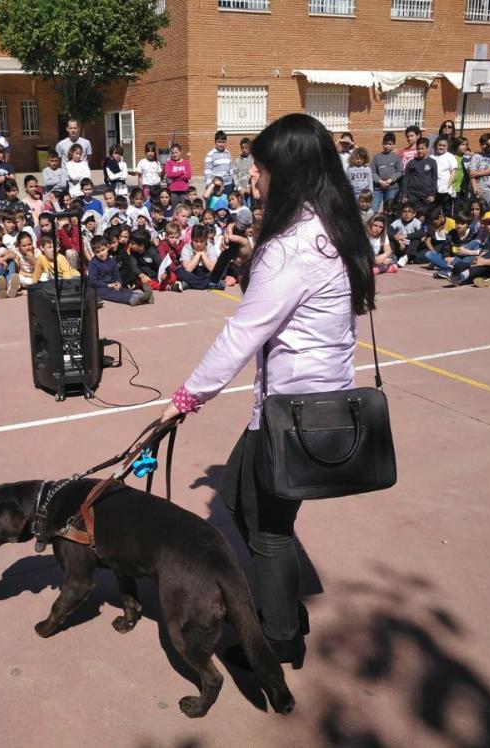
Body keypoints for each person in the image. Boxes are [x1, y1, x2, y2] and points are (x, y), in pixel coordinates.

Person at [159, 113, 375, 668]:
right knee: (236, 496)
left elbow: (243, 333)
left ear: (289, 172)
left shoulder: (294, 246)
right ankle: (285, 610)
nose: (252, 176)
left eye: (260, 167)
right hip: (310, 403)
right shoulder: (332, 227)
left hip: (294, 412)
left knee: (270, 529)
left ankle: (279, 636)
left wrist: (185, 398)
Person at [371, 132, 403, 213]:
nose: (387, 146)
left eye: (389, 144)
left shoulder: (396, 157)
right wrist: (381, 182)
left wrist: (390, 180)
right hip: (378, 189)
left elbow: (400, 172)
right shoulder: (376, 157)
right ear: (382, 143)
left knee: (389, 209)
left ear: (393, 144)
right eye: (385, 143)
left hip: (391, 188)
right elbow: (373, 173)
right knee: (373, 209)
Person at [204, 130, 233, 195]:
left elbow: (231, 169)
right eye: (219, 142)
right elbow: (207, 171)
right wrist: (209, 185)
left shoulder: (228, 153)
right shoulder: (210, 154)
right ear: (215, 142)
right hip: (216, 186)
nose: (221, 144)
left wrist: (231, 181)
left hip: (227, 185)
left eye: (223, 142)